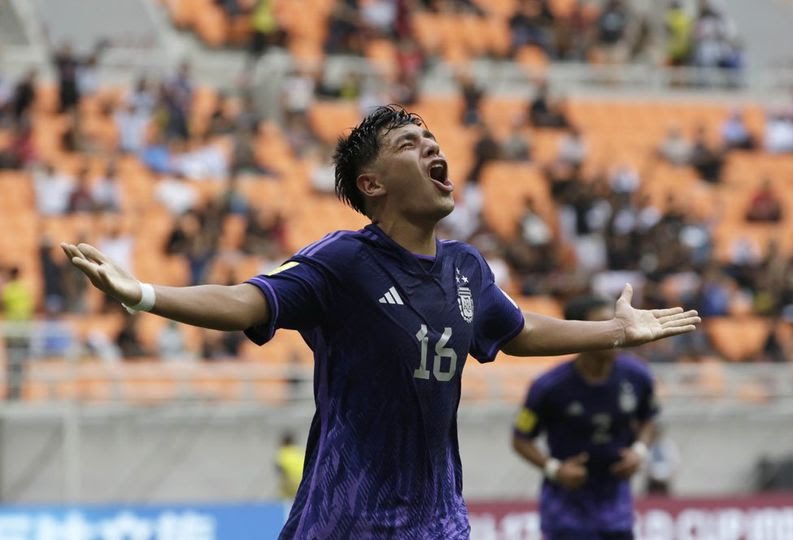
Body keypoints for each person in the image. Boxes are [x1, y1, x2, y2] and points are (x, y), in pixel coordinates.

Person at [62, 105, 700, 538]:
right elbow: (247, 300)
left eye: (432, 142)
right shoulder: (343, 261)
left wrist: (616, 332)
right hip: (346, 521)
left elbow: (515, 330)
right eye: (408, 145)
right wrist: (145, 294)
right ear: (372, 183)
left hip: (438, 519)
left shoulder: (466, 268)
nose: (431, 148)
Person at [512, 295, 661, 540]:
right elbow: (520, 439)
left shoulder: (637, 376)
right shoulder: (549, 387)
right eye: (604, 325)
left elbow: (650, 420)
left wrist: (639, 452)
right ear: (580, 332)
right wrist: (555, 469)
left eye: (616, 323)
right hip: (566, 505)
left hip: (616, 502)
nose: (618, 331)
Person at [275, 431, 306, 500]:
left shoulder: (282, 453)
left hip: (291, 486)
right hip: (304, 485)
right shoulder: (300, 452)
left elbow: (280, 471)